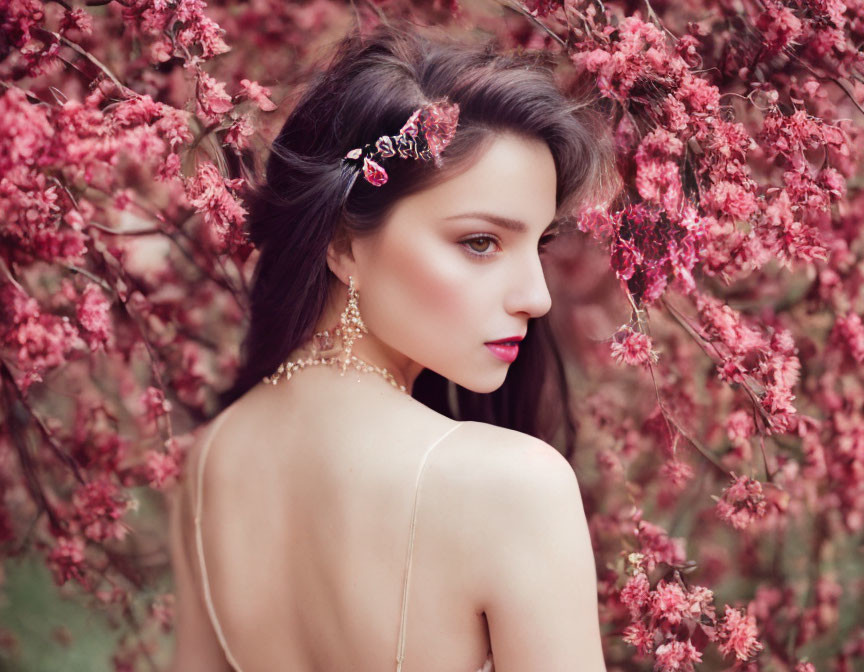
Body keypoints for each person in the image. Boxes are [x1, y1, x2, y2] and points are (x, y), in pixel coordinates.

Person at [167, 18, 618, 672]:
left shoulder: (211, 460)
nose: (537, 296)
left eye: (539, 244)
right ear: (346, 244)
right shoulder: (514, 488)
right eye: (481, 242)